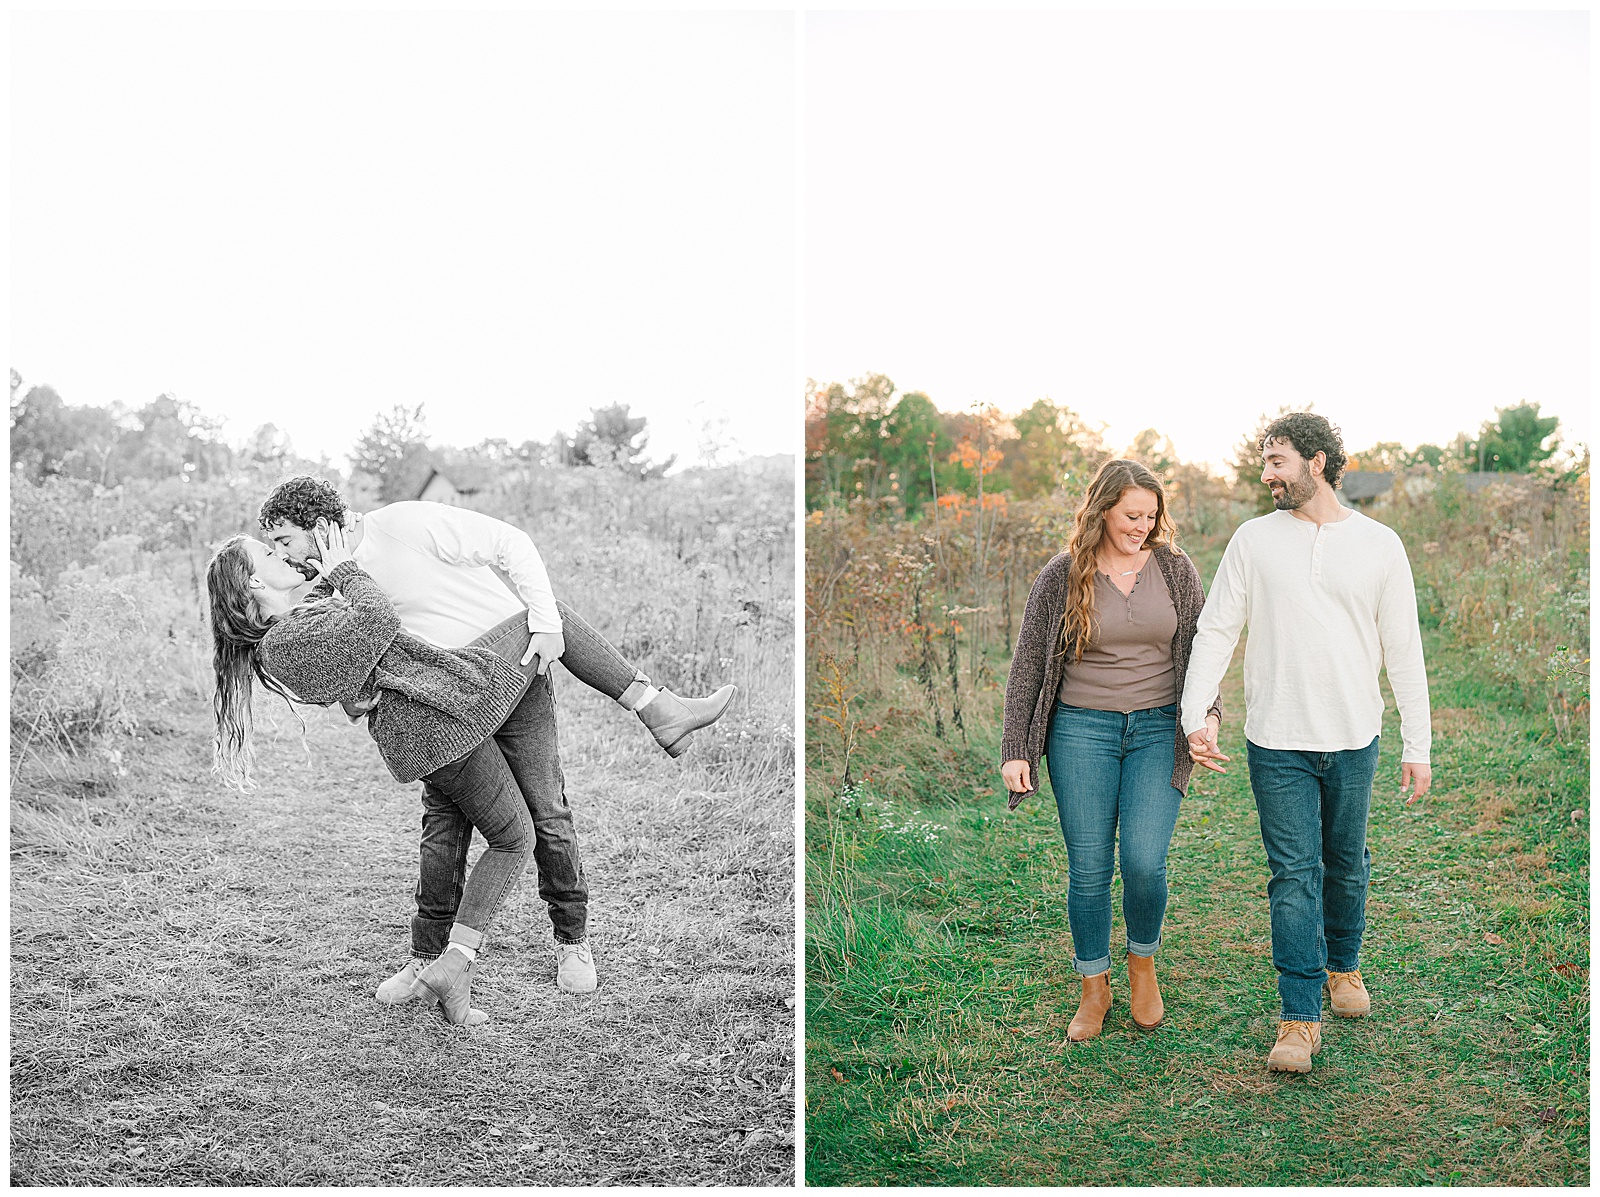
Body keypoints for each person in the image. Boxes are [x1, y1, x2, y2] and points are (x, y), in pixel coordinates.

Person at [251, 476, 733, 1005]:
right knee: (443, 826)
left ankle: (572, 940)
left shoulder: (404, 523)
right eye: (273, 548)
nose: (282, 554)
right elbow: (355, 654)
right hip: (447, 703)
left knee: (546, 811)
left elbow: (513, 543)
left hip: (514, 671)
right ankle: (428, 958)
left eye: (285, 540)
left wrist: (547, 625)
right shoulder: (330, 581)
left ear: (319, 526)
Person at [1179, 412, 1432, 1074]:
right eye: (1265, 462)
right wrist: (1195, 712)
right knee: (1294, 874)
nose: (1266, 475)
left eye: (1277, 461)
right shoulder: (1252, 540)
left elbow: (1404, 650)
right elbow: (1215, 631)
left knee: (1346, 863)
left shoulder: (1381, 545)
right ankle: (1298, 1018)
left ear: (1317, 462)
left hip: (1353, 736)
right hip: (1277, 739)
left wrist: (1418, 741)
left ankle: (1342, 966)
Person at [208, 524, 539, 1024]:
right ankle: (652, 704)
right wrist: (344, 569)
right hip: (432, 722)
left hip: (423, 721)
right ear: (253, 582)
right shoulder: (285, 640)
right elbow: (376, 619)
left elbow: (346, 661)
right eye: (267, 551)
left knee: (449, 834)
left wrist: (323, 574)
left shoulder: (292, 626)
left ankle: (443, 971)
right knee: (514, 838)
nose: (279, 551)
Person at [1000, 459, 1222, 1042]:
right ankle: (1093, 986)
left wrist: (1208, 718)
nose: (1141, 527)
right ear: (1101, 510)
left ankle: (1142, 965)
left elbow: (1202, 652)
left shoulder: (1174, 568)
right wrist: (1017, 747)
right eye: (1130, 515)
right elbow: (1027, 668)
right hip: (1080, 732)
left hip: (1156, 730)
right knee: (1091, 868)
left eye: (1151, 516)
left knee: (1145, 862)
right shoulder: (1061, 574)